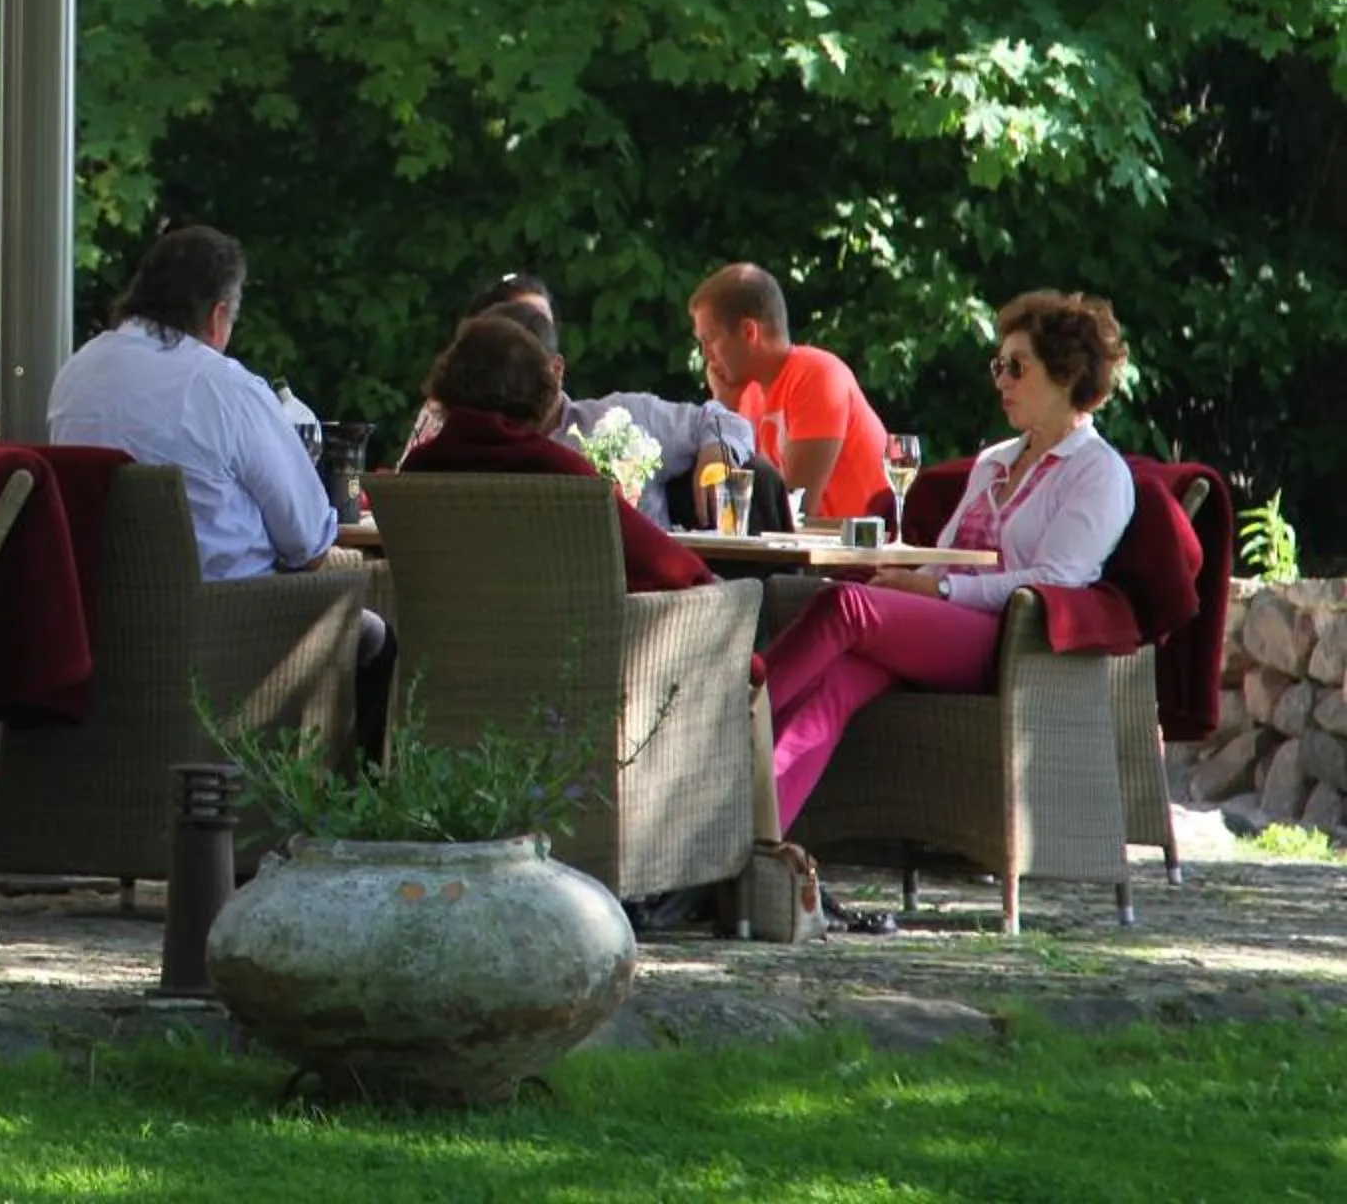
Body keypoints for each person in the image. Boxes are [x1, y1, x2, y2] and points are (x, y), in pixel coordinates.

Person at [760, 291, 1133, 833]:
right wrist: (907, 584)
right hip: (941, 626)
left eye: (1017, 366)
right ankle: (757, 832)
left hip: (1008, 639)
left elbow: (1057, 580)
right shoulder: (995, 461)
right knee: (838, 681)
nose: (1001, 380)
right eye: (998, 366)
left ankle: (728, 717)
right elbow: (948, 552)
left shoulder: (1098, 473)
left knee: (846, 606)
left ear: (1068, 373)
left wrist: (936, 592)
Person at [46, 225, 396, 761]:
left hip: (95, 633)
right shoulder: (225, 388)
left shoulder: (77, 375)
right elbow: (310, 544)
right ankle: (335, 809)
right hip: (227, 638)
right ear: (216, 315)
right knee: (374, 639)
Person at [399, 310, 718, 592]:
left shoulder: (419, 469)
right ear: (539, 388)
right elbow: (669, 568)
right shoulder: (560, 472)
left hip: (450, 638)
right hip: (568, 640)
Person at [402, 274, 753, 525]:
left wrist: (716, 452)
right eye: (496, 372)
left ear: (556, 370)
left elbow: (725, 420)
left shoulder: (623, 416)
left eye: (521, 372)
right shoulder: (465, 451)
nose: (507, 385)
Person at [690, 263, 888, 521]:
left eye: (709, 340)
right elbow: (737, 509)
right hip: (811, 544)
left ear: (749, 332)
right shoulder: (749, 395)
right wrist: (725, 408)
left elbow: (793, 510)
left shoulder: (817, 376)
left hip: (864, 545)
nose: (706, 355)